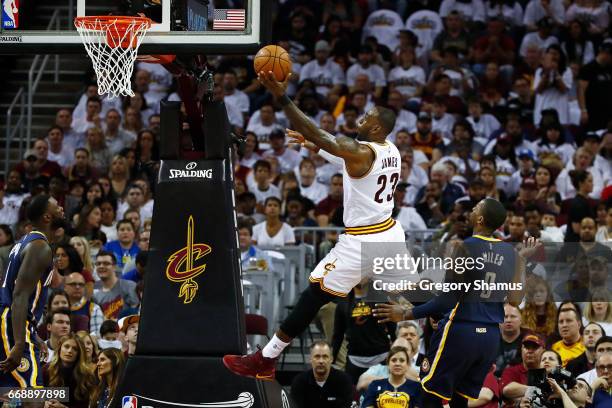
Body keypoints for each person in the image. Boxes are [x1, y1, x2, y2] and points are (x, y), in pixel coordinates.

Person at [223, 70, 406, 380]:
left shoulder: (362, 151)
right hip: (389, 231)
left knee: (313, 296)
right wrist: (315, 148)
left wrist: (282, 97)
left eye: (368, 116)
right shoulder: (391, 151)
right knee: (398, 300)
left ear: (376, 127)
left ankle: (265, 359)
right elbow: (348, 159)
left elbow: (328, 138)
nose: (362, 117)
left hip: (364, 241)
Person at [374, 198, 539, 408]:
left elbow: (446, 300)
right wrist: (521, 262)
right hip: (489, 339)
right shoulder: (510, 253)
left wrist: (406, 314)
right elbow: (515, 301)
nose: (471, 210)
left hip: (462, 331)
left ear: (479, 219)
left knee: (429, 391)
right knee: (459, 396)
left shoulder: (465, 248)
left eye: (475, 208)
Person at [0, 195, 64, 386]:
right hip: (11, 322)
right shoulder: (39, 247)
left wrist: (33, 335)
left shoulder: (26, 242)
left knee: (10, 393)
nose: (61, 208)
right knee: (33, 395)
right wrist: (20, 343)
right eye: (57, 206)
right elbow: (19, 296)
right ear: (47, 217)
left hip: (14, 322)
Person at [290, 341, 353, 408]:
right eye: (317, 356)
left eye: (325, 356)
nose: (321, 361)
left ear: (331, 359)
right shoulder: (299, 382)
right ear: (310, 359)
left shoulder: (343, 381)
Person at [43, 333, 96, 408]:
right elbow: (31, 396)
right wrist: (43, 403)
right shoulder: (46, 369)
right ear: (60, 348)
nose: (70, 351)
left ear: (79, 353)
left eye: (75, 349)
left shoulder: (85, 375)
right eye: (66, 347)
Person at [92, 251, 139, 320]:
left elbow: (136, 312)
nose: (101, 266)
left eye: (106, 263)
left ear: (114, 267)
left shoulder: (129, 286)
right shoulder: (96, 297)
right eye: (98, 264)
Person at [65, 272, 104, 336]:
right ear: (65, 287)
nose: (77, 287)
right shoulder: (57, 305)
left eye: (81, 284)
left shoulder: (94, 308)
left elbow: (96, 337)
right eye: (73, 284)